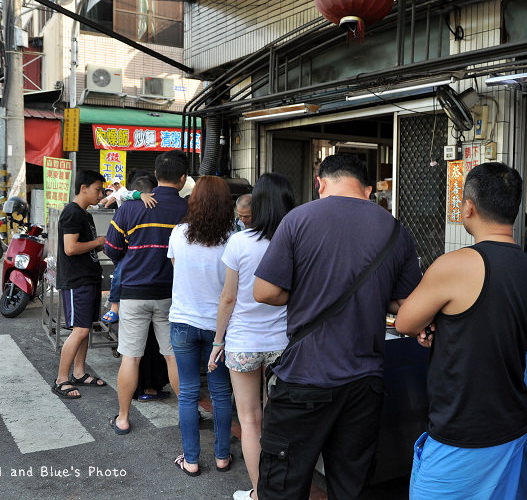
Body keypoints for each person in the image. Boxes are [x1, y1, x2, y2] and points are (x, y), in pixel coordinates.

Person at [252, 154, 421, 500]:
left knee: (283, 484)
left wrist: (308, 293)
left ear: (320, 182)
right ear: (368, 189)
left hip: (304, 377)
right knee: (352, 485)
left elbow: (264, 291)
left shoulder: (298, 219)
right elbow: (405, 304)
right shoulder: (395, 230)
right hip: (365, 382)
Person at [396, 162, 527, 500]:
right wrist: (443, 327)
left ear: (469, 207)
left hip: (464, 431)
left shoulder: (456, 264)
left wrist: (429, 323)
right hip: (511, 422)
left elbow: (404, 321)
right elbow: (486, 324)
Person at [208, 173, 294, 500]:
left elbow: (228, 297)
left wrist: (218, 342)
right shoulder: (294, 240)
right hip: (283, 345)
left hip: (243, 342)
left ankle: (260, 494)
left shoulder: (239, 242)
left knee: (249, 419)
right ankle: (281, 489)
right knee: (277, 421)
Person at [104, 150, 189, 435]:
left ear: (156, 175)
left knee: (131, 357)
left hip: (133, 293)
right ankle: (185, 416)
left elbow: (112, 248)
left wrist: (132, 260)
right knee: (172, 356)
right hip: (171, 294)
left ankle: (123, 418)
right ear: (183, 178)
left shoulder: (129, 208)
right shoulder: (188, 210)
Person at [168, 176, 235, 476]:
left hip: (183, 321)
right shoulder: (235, 236)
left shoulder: (178, 233)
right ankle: (223, 456)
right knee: (221, 392)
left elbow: (177, 271)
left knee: (188, 392)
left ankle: (191, 460)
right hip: (219, 328)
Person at [52, 170, 108, 398]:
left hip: (89, 277)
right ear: (83, 187)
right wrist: (97, 242)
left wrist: (100, 244)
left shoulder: (85, 215)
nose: (101, 193)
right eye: (98, 189)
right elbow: (70, 248)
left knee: (85, 329)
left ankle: (79, 372)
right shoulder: (72, 213)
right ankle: (61, 379)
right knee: (80, 329)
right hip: (77, 280)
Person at [102, 172, 158, 324]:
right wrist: (141, 195)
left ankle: (114, 307)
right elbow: (126, 194)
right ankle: (114, 307)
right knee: (118, 275)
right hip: (133, 253)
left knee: (120, 273)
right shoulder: (127, 197)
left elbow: (112, 247)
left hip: (138, 256)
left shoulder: (155, 204)